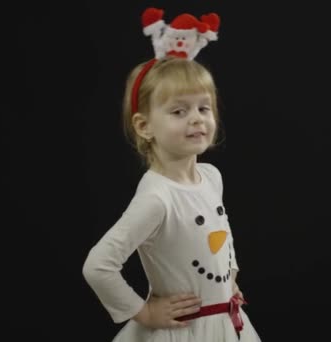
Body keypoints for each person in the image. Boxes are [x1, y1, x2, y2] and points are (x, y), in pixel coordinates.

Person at [82, 7, 261, 342]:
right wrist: (144, 311)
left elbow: (221, 233)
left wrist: (230, 278)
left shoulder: (210, 177)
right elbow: (98, 265)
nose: (196, 119)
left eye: (203, 108)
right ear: (144, 125)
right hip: (185, 333)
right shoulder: (157, 198)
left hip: (225, 324)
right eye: (179, 111)